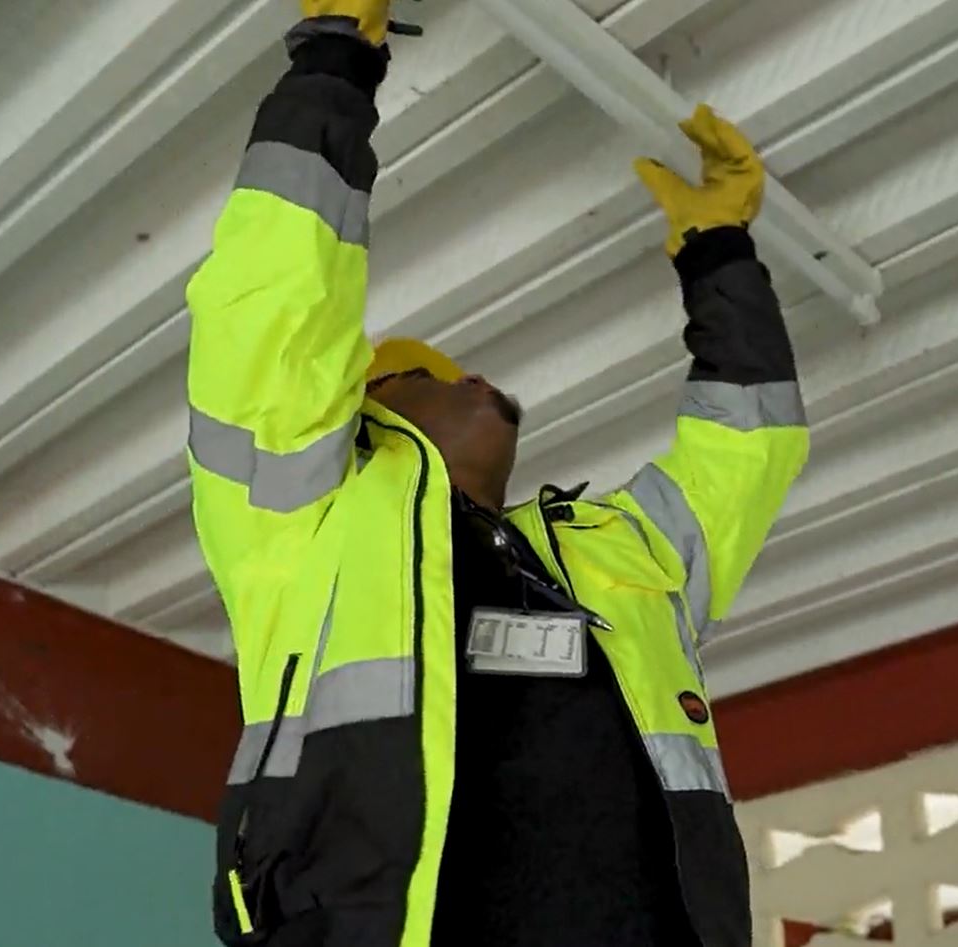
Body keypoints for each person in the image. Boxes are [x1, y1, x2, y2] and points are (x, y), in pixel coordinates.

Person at [185, 2, 808, 944]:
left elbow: (747, 447)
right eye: (424, 373)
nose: (467, 373)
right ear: (364, 411)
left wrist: (720, 253)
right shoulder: (304, 511)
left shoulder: (618, 554)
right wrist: (332, 60)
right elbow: (276, 307)